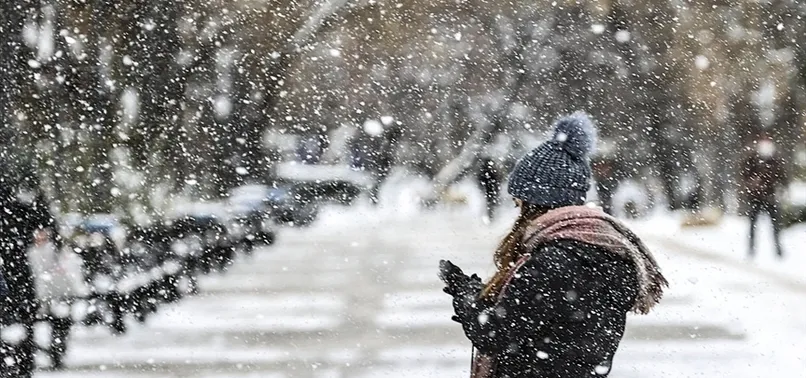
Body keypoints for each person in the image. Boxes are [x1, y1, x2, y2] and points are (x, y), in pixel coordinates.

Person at [438, 112, 667, 378]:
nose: (518, 209)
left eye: (519, 202)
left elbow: (494, 334)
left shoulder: (553, 263)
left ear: (536, 202)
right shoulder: (605, 250)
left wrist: (466, 296)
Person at [740, 136, 787, 258]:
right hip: (755, 198)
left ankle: (778, 250)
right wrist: (751, 185)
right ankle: (751, 249)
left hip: (770, 197)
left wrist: (781, 189)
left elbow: (782, 177)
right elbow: (744, 175)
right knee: (753, 225)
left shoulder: (775, 160)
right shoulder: (752, 159)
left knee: (775, 225)